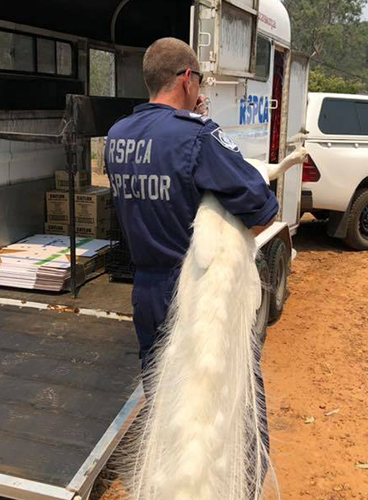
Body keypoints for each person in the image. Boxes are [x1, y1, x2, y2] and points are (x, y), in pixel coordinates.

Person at [105, 37, 278, 373]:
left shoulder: (116, 135)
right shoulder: (198, 136)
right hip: (196, 292)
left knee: (159, 389)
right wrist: (201, 126)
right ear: (187, 79)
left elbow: (159, 170)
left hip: (146, 291)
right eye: (200, 79)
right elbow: (263, 213)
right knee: (225, 396)